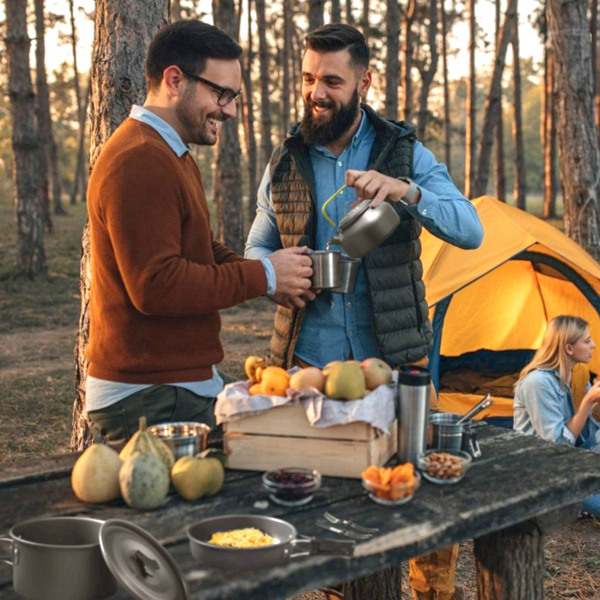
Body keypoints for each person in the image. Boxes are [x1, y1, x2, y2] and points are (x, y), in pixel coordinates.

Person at [245, 22, 483, 600]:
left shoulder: (406, 151)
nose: (316, 92)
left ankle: (431, 593)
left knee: (418, 495)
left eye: (331, 79)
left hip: (394, 359)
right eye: (308, 79)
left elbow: (471, 229)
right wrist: (276, 275)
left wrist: (406, 190)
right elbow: (256, 244)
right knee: (334, 505)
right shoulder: (287, 160)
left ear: (364, 81)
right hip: (312, 365)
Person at [85, 20, 313, 446]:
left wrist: (267, 276)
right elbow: (156, 286)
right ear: (174, 80)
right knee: (285, 446)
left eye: (233, 97)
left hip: (176, 379)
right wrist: (262, 275)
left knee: (287, 412)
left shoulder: (169, 152)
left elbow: (196, 248)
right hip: (148, 393)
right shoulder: (139, 160)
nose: (228, 110)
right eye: (221, 94)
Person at [514, 315, 600, 516]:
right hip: (545, 466)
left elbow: (589, 429)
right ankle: (562, 502)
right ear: (569, 349)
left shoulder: (577, 373)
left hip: (575, 455)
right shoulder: (538, 382)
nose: (594, 345)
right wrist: (588, 402)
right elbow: (557, 446)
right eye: (587, 341)